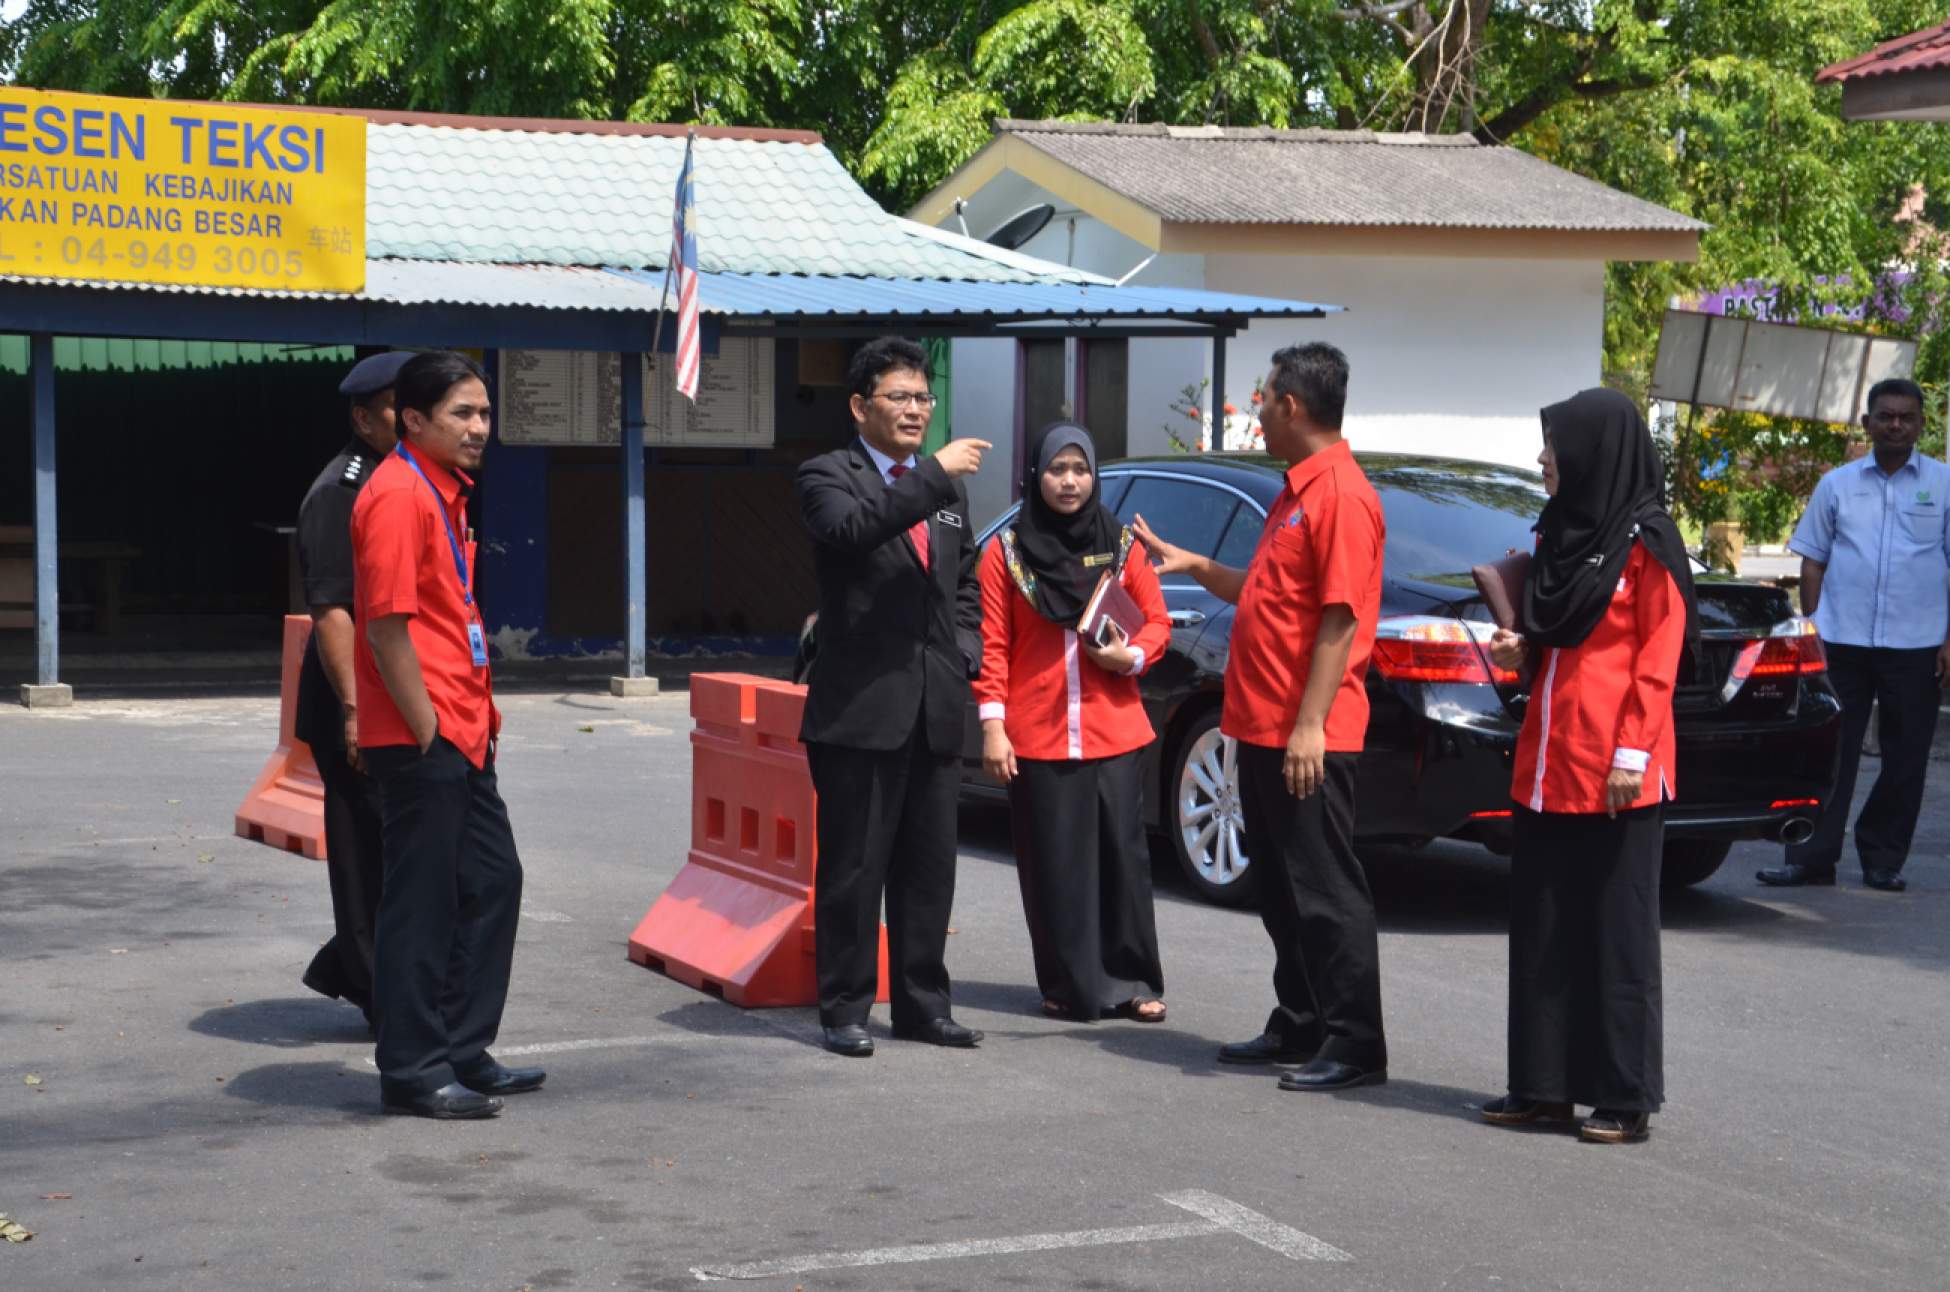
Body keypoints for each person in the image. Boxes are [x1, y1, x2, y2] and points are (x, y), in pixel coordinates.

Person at [1131, 342, 1389, 1093]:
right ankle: (1301, 1020)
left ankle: (1355, 1041)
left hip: (1304, 731)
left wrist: (1310, 726)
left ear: (1294, 406)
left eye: (1266, 399)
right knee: (1279, 885)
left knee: (1325, 887)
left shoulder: (1340, 495)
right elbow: (1267, 590)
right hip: (1261, 725)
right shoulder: (1296, 490)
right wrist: (1195, 564)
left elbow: (1340, 620)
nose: (1259, 413)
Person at [1481, 388, 1698, 1146]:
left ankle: (1623, 1096)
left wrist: (1633, 754)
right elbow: (1552, 639)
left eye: (1555, 444)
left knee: (1616, 936)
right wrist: (1520, 650)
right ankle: (1543, 1088)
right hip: (1548, 761)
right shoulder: (1558, 531)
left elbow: (1658, 658)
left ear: (1593, 451)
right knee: (1543, 931)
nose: (1544, 458)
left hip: (1617, 767)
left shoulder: (1648, 542)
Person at [351, 350, 539, 1119]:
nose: (479, 427)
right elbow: (386, 627)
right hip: (423, 736)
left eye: (485, 412)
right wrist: (427, 729)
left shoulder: (443, 490)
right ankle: (413, 1069)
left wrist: (470, 721)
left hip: (462, 729)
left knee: (494, 880)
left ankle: (462, 1048)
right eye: (462, 413)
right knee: (422, 904)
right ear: (413, 419)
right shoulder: (399, 494)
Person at [796, 337, 990, 1058]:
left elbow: (964, 581)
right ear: (859, 406)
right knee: (854, 868)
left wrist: (964, 651)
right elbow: (854, 531)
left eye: (923, 397)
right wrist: (933, 473)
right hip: (861, 710)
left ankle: (924, 1007)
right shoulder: (829, 475)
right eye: (899, 397)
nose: (915, 410)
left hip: (935, 705)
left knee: (928, 868)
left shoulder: (947, 493)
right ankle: (844, 1007)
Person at [976, 422, 1172, 1023]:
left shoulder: (1121, 546)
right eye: (1057, 469)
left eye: (1081, 469)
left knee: (1123, 863)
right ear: (1035, 475)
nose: (1069, 481)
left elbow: (1157, 623)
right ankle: (1069, 985)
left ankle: (1133, 980)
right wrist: (992, 726)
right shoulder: (1005, 553)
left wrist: (1129, 656)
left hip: (1115, 730)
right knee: (1055, 867)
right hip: (1038, 734)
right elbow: (992, 646)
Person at [1757, 377, 1950, 894]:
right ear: (1867, 423)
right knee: (1829, 750)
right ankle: (1811, 858)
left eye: (1906, 417)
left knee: (1906, 757)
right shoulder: (1837, 485)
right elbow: (1813, 560)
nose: (1895, 425)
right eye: (1885, 416)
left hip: (1917, 645)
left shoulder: (1944, 484)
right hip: (1842, 642)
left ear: (1921, 424)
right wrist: (1814, 625)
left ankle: (1883, 857)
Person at [295, 350, 412, 1029]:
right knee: (367, 856)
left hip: (399, 696)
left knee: (404, 850)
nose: (413, 419)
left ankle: (351, 966)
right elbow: (333, 610)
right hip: (357, 701)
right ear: (364, 419)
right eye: (398, 409)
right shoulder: (344, 490)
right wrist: (353, 711)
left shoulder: (409, 481)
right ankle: (382, 998)